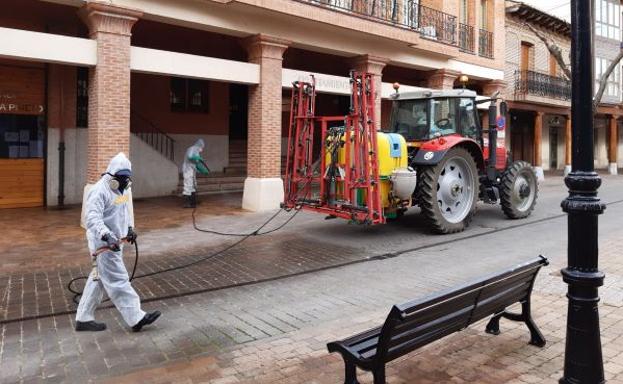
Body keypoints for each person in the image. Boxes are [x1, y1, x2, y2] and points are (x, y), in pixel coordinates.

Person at [76, 152, 161, 332]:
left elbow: (125, 211)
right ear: (112, 176)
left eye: (127, 178)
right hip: (103, 243)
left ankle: (83, 318)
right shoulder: (100, 191)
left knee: (98, 278)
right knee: (118, 279)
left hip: (117, 240)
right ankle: (136, 318)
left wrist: (130, 228)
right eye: (121, 178)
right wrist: (107, 236)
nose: (124, 182)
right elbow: (92, 219)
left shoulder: (124, 189)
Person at [182, 139, 210, 208]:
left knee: (193, 185)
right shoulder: (191, 149)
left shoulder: (197, 151)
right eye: (201, 147)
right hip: (187, 170)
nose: (201, 149)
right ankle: (187, 203)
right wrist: (198, 157)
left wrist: (203, 170)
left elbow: (196, 164)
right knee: (188, 186)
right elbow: (190, 157)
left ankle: (193, 202)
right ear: (198, 145)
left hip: (192, 170)